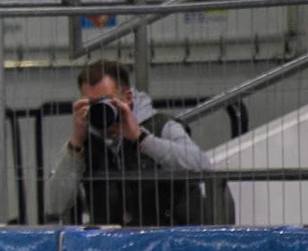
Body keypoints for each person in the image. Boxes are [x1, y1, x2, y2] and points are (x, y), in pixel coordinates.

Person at [43, 58, 226, 226]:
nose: (100, 110)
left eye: (106, 102)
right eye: (91, 104)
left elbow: (203, 167)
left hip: (165, 240)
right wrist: (75, 144)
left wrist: (141, 138)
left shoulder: (161, 127)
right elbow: (54, 205)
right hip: (110, 246)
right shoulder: (82, 143)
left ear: (127, 98)